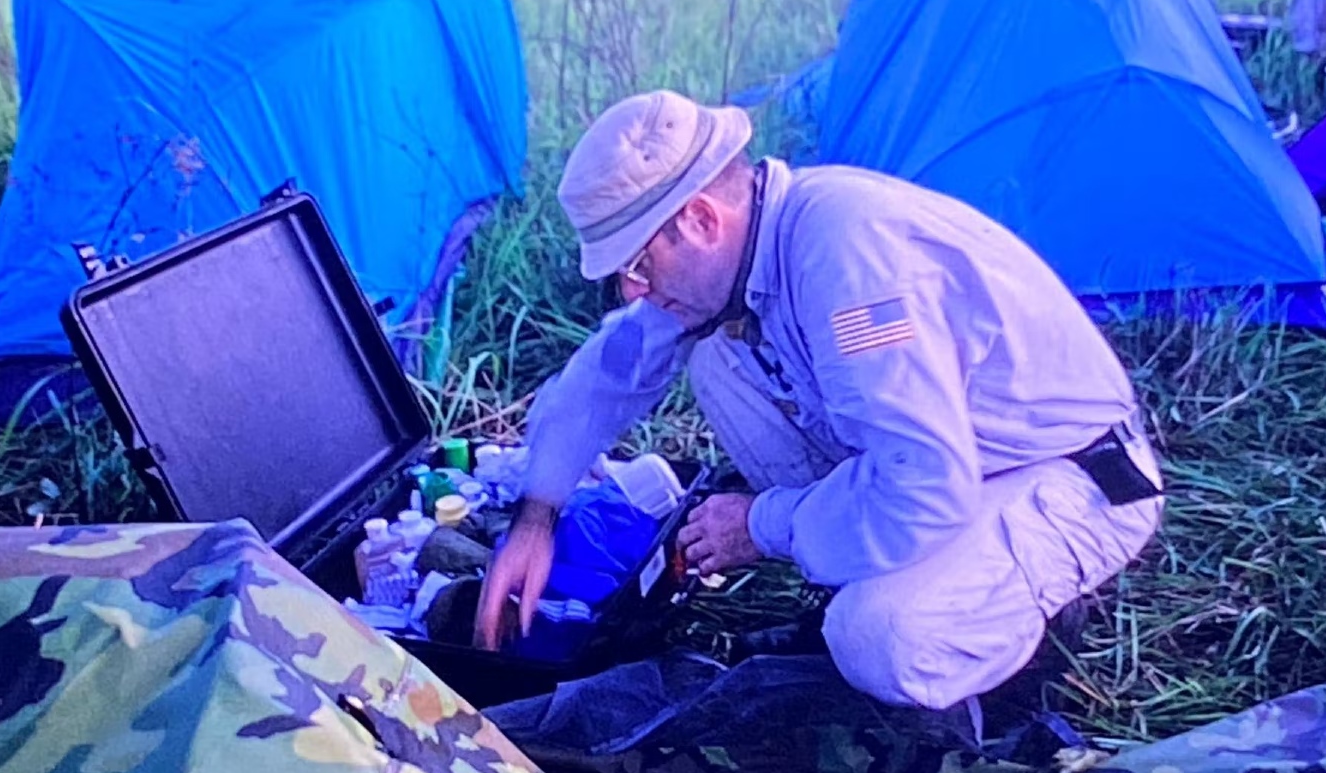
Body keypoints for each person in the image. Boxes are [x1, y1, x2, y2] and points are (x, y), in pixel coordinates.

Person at [473, 89, 1165, 714]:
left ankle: (1006, 648)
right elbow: (611, 369)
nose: (633, 289)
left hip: (1072, 475)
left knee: (880, 635)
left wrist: (763, 523)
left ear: (701, 221)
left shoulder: (851, 260)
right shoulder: (745, 255)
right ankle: (881, 564)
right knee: (714, 355)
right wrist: (537, 515)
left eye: (637, 264)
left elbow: (922, 484)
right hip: (954, 462)